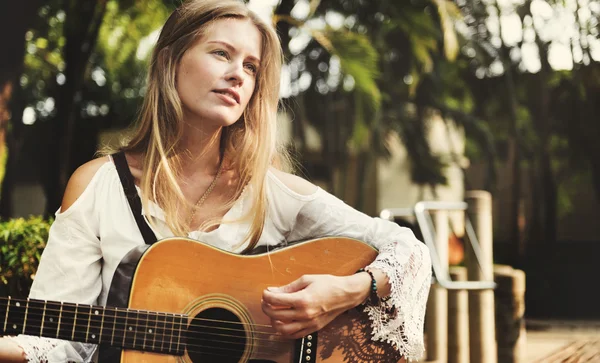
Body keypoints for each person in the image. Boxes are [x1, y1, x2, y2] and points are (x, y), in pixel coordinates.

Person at [0, 0, 432, 361]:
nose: (238, 74)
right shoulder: (97, 187)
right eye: (221, 54)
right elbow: (56, 341)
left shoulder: (269, 191)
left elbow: (409, 250)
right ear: (170, 60)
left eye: (251, 66)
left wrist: (343, 292)